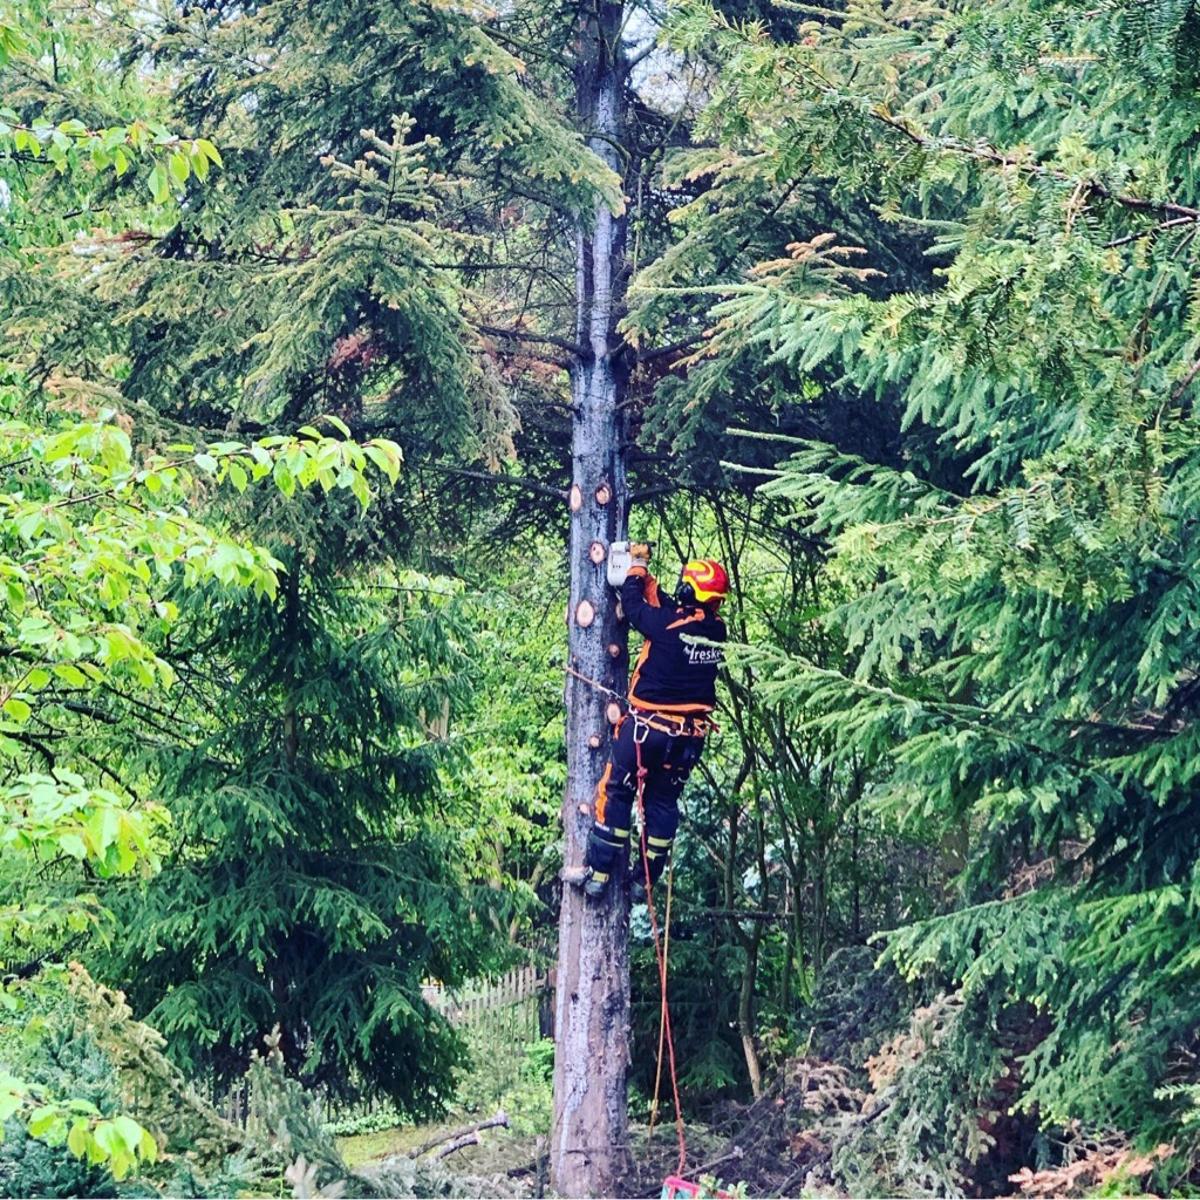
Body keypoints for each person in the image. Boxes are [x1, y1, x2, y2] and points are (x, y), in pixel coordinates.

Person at [582, 544, 728, 901]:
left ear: (687, 591)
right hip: (687, 741)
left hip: (647, 733)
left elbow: (634, 610)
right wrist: (648, 581)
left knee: (616, 791)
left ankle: (599, 873)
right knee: (662, 802)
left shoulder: (667, 626)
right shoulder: (716, 630)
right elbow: (667, 611)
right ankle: (644, 881)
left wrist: (635, 570)